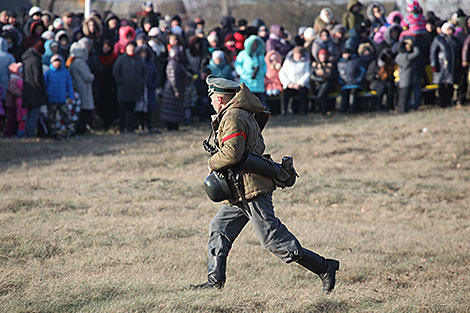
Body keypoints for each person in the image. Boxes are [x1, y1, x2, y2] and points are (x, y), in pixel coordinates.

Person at [190, 75, 340, 293]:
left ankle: (324, 267)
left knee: (274, 240)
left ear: (220, 98)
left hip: (251, 188)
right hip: (239, 189)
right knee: (219, 228)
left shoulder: (233, 116)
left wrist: (212, 162)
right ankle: (214, 283)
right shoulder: (238, 113)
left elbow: (232, 153)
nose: (211, 101)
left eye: (213, 97)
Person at [112, 41, 147, 133]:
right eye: (129, 47)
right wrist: (120, 82)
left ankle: (130, 128)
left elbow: (144, 73)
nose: (131, 49)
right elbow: (116, 72)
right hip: (123, 89)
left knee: (132, 110)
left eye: (133, 47)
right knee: (123, 110)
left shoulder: (138, 60)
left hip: (134, 89)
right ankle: (121, 128)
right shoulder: (121, 59)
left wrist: (141, 83)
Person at [43, 54, 74, 138]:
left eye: (59, 61)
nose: (57, 63)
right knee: (52, 117)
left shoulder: (65, 72)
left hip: (62, 98)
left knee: (66, 115)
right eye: (55, 61)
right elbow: (45, 86)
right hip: (52, 99)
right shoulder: (48, 73)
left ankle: (70, 131)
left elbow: (69, 85)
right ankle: (53, 132)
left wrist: (71, 96)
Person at [430, 22, 460, 108]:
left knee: (450, 84)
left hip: (452, 65)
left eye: (451, 29)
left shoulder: (455, 40)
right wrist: (434, 64)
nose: (450, 31)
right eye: (448, 29)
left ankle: (449, 101)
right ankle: (441, 102)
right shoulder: (438, 39)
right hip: (441, 65)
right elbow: (433, 52)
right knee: (441, 84)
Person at [22, 41, 47, 138]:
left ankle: (28, 133)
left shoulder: (27, 59)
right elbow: (37, 78)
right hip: (35, 92)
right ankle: (30, 134)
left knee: (29, 116)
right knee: (34, 115)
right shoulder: (36, 60)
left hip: (27, 90)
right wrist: (42, 90)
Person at [69, 42, 95, 135]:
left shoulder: (72, 62)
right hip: (84, 87)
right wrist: (92, 76)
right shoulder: (80, 62)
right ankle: (81, 129)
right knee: (85, 109)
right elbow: (87, 77)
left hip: (78, 87)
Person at [160, 46, 188, 131]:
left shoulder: (176, 63)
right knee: (171, 109)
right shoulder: (173, 64)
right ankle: (171, 126)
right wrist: (176, 90)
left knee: (174, 109)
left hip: (174, 88)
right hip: (172, 89)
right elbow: (173, 78)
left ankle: (174, 126)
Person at [234, 35, 267, 105]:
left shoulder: (260, 55)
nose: (254, 46)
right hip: (247, 81)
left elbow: (264, 65)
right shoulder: (243, 54)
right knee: (247, 102)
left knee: (260, 102)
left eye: (256, 44)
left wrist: (262, 72)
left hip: (259, 83)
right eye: (253, 44)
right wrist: (243, 73)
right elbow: (237, 64)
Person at [278, 46, 311, 115]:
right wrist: (288, 83)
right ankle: (284, 111)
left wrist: (299, 83)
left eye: (299, 54)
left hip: (301, 85)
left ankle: (303, 111)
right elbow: (282, 73)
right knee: (285, 94)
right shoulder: (288, 61)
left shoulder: (305, 62)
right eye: (296, 54)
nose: (298, 55)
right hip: (290, 85)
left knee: (303, 93)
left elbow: (307, 73)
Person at [395, 39, 420, 113]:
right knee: (406, 96)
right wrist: (414, 45)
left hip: (401, 79)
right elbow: (416, 53)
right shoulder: (406, 56)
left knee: (402, 96)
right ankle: (403, 110)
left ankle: (401, 110)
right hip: (407, 78)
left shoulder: (398, 57)